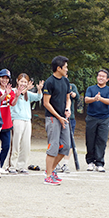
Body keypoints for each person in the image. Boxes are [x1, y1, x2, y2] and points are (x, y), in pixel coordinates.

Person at [6, 73, 44, 174]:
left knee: (25, 144)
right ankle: (12, 166)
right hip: (17, 119)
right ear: (17, 81)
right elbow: (11, 101)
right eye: (21, 81)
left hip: (27, 120)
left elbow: (38, 97)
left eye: (25, 82)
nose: (23, 83)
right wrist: (20, 93)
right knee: (15, 143)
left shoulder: (28, 94)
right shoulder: (13, 91)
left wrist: (39, 89)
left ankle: (21, 166)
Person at [43, 56, 71, 185]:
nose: (67, 69)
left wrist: (67, 109)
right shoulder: (50, 82)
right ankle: (48, 176)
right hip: (53, 118)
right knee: (53, 146)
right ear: (58, 68)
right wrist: (58, 117)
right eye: (65, 67)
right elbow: (46, 103)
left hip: (63, 118)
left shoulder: (65, 81)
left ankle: (51, 170)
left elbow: (68, 98)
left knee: (65, 146)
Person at [0, 69, 21, 173]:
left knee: (6, 146)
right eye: (2, 78)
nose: (4, 80)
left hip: (6, 122)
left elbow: (12, 103)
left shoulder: (10, 90)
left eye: (6, 78)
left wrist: (17, 96)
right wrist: (4, 95)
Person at [84, 69, 109, 172]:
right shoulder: (91, 88)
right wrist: (95, 98)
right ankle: (90, 162)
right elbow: (86, 99)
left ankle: (99, 163)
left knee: (101, 140)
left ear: (107, 79)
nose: (101, 78)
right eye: (99, 75)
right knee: (90, 140)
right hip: (91, 117)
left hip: (104, 118)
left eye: (103, 76)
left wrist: (100, 98)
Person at [56, 75, 80, 173]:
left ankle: (65, 163)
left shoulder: (71, 86)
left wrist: (73, 94)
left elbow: (77, 97)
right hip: (57, 116)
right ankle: (55, 163)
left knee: (68, 142)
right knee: (56, 141)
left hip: (70, 117)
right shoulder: (54, 85)